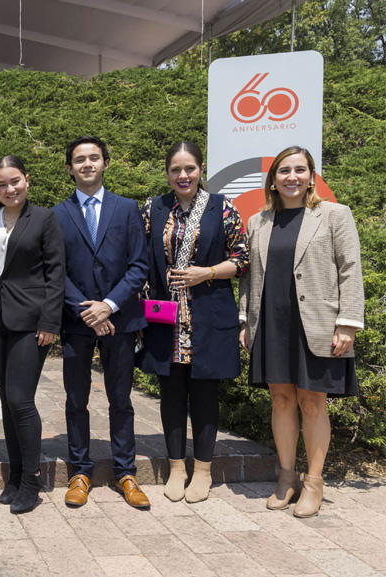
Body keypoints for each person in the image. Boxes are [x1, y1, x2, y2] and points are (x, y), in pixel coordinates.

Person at [239, 146, 363, 518]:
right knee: (280, 400)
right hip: (272, 323)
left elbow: (350, 269)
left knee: (312, 402)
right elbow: (248, 278)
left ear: (311, 175)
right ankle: (287, 477)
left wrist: (348, 324)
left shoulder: (334, 215)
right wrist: (245, 321)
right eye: (283, 171)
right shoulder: (257, 222)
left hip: (317, 324)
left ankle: (314, 482)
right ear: (272, 180)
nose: (291, 177)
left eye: (300, 170)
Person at [139, 141, 248, 503]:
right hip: (166, 319)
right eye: (175, 169)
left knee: (204, 395)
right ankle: (176, 468)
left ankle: (202, 471)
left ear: (201, 169)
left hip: (207, 316)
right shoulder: (153, 208)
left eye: (189, 168)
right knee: (170, 394)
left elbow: (243, 258)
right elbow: (140, 259)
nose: (182, 175)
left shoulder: (222, 208)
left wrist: (208, 272)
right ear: (167, 172)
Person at [51, 136, 150, 509]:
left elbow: (139, 266)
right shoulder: (56, 215)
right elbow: (55, 270)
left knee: (121, 399)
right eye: (79, 159)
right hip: (77, 323)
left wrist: (107, 306)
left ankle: (126, 472)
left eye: (94, 158)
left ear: (106, 163)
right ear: (69, 168)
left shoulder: (127, 209)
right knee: (76, 400)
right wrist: (85, 310)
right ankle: (80, 471)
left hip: (120, 319)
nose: (87, 164)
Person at [0, 155, 65, 514]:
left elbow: (56, 272)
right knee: (5, 400)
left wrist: (49, 322)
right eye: (1, 184)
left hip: (31, 323)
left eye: (14, 181)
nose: (9, 189)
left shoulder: (44, 218)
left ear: (26, 180)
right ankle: (15, 475)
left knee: (20, 399)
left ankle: (32, 479)